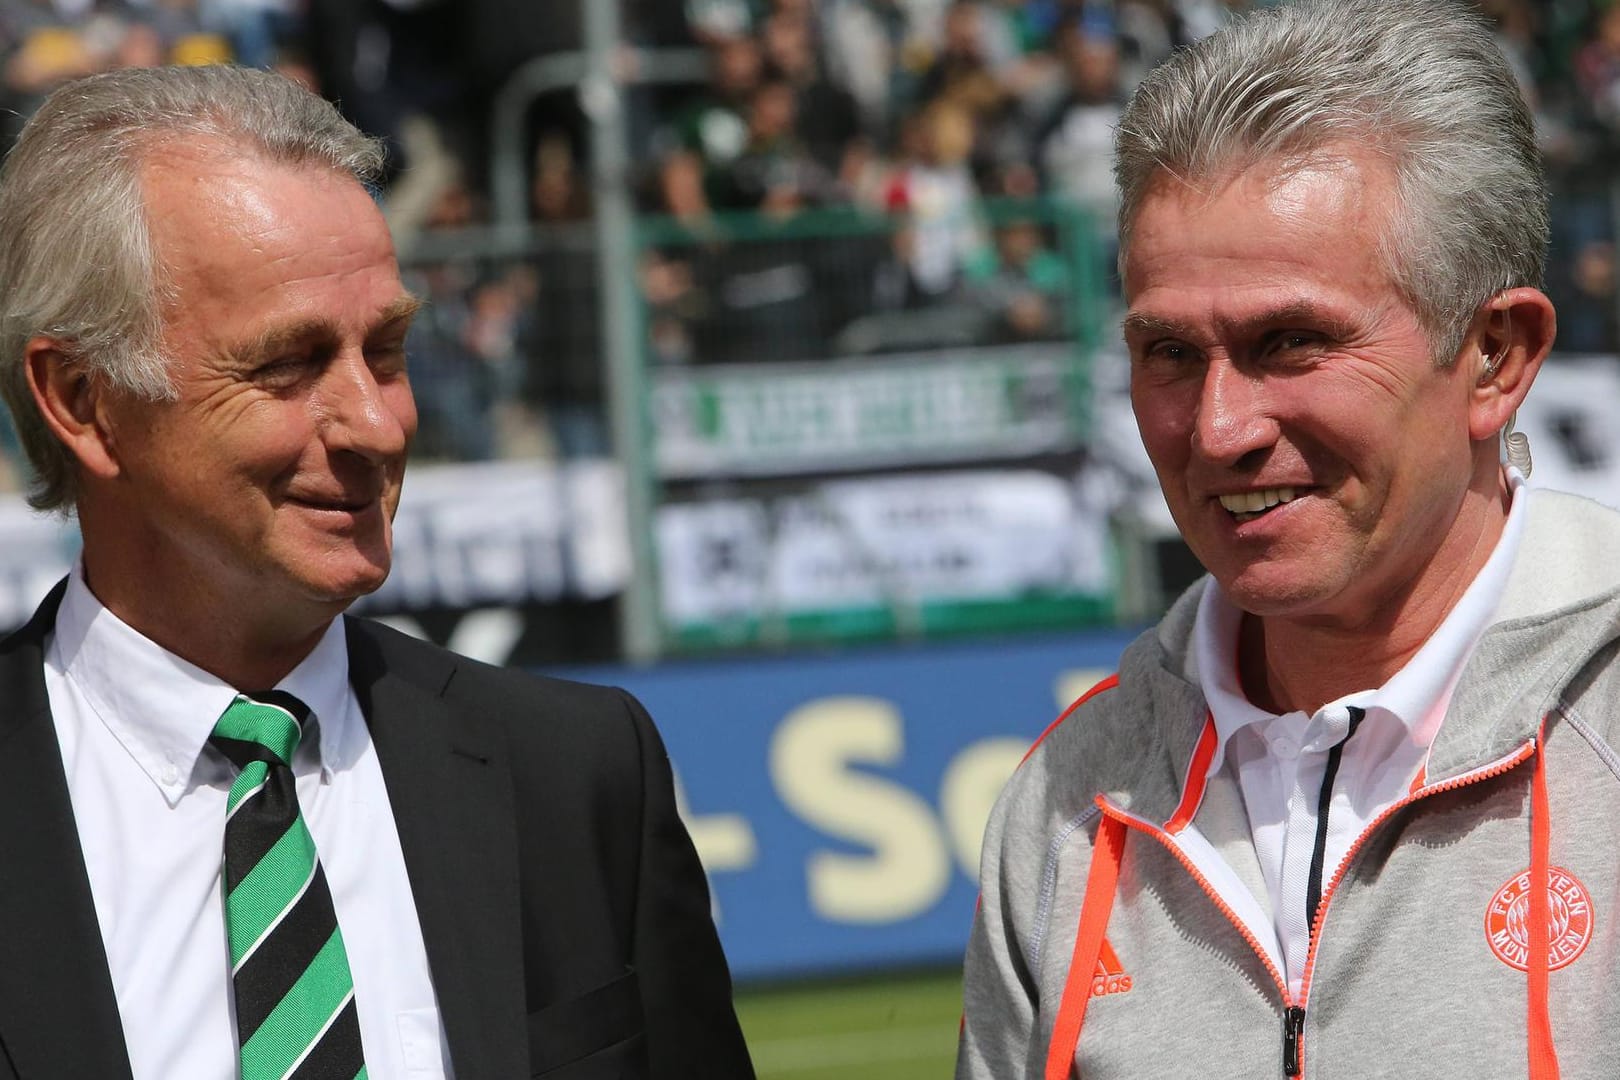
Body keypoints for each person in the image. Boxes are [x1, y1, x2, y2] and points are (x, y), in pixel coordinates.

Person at [0, 64, 755, 1080]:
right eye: (288, 364)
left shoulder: (574, 778)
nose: (378, 421)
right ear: (83, 399)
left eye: (387, 349)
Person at [958, 1, 1620, 1077]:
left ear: (1496, 356)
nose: (1218, 429)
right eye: (1169, 351)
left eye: (1292, 341)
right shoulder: (1069, 799)